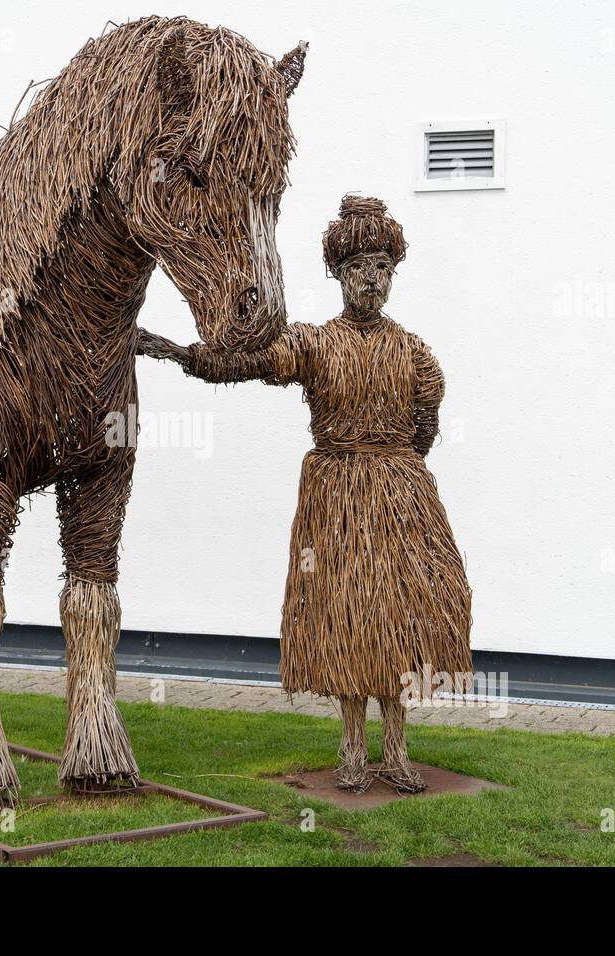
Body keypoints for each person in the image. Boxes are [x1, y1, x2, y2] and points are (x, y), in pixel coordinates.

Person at [137, 196, 472, 792]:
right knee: (344, 610)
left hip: (399, 492)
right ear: (341, 274)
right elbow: (254, 363)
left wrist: (391, 467)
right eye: (360, 267)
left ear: (393, 275)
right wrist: (182, 354)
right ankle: (352, 745)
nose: (372, 278)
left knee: (397, 613)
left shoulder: (416, 354)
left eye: (382, 267)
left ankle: (395, 748)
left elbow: (426, 424)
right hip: (336, 495)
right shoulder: (315, 345)